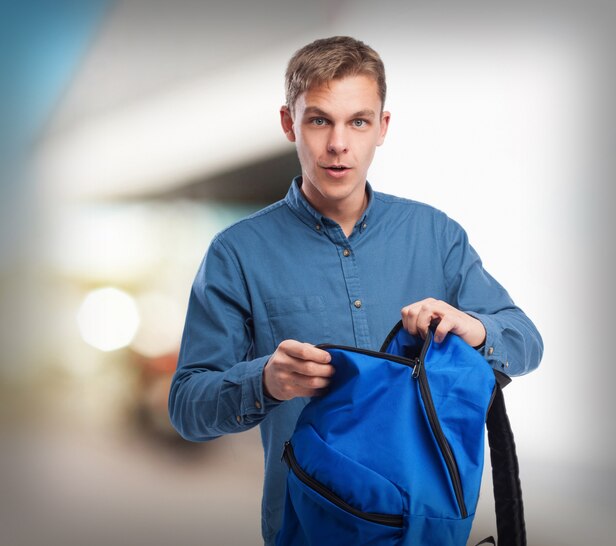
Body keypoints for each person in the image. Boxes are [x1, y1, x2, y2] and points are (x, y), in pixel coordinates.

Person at [169, 36, 543, 545]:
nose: (338, 144)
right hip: (307, 529)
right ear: (288, 124)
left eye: (358, 121)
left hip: (427, 530)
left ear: (382, 127)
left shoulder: (435, 235)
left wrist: (476, 329)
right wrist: (266, 380)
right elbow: (188, 404)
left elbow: (526, 341)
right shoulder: (237, 252)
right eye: (319, 120)